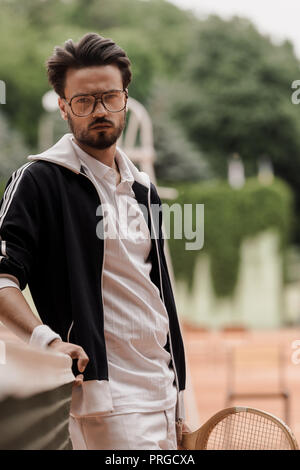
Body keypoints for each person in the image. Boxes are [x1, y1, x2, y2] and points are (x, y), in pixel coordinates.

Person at [0, 33, 188, 450]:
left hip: (164, 394)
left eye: (110, 97)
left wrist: (179, 397)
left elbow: (156, 294)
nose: (99, 110)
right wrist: (45, 340)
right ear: (64, 108)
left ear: (125, 97)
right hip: (108, 402)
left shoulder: (144, 189)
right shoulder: (39, 181)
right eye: (84, 101)